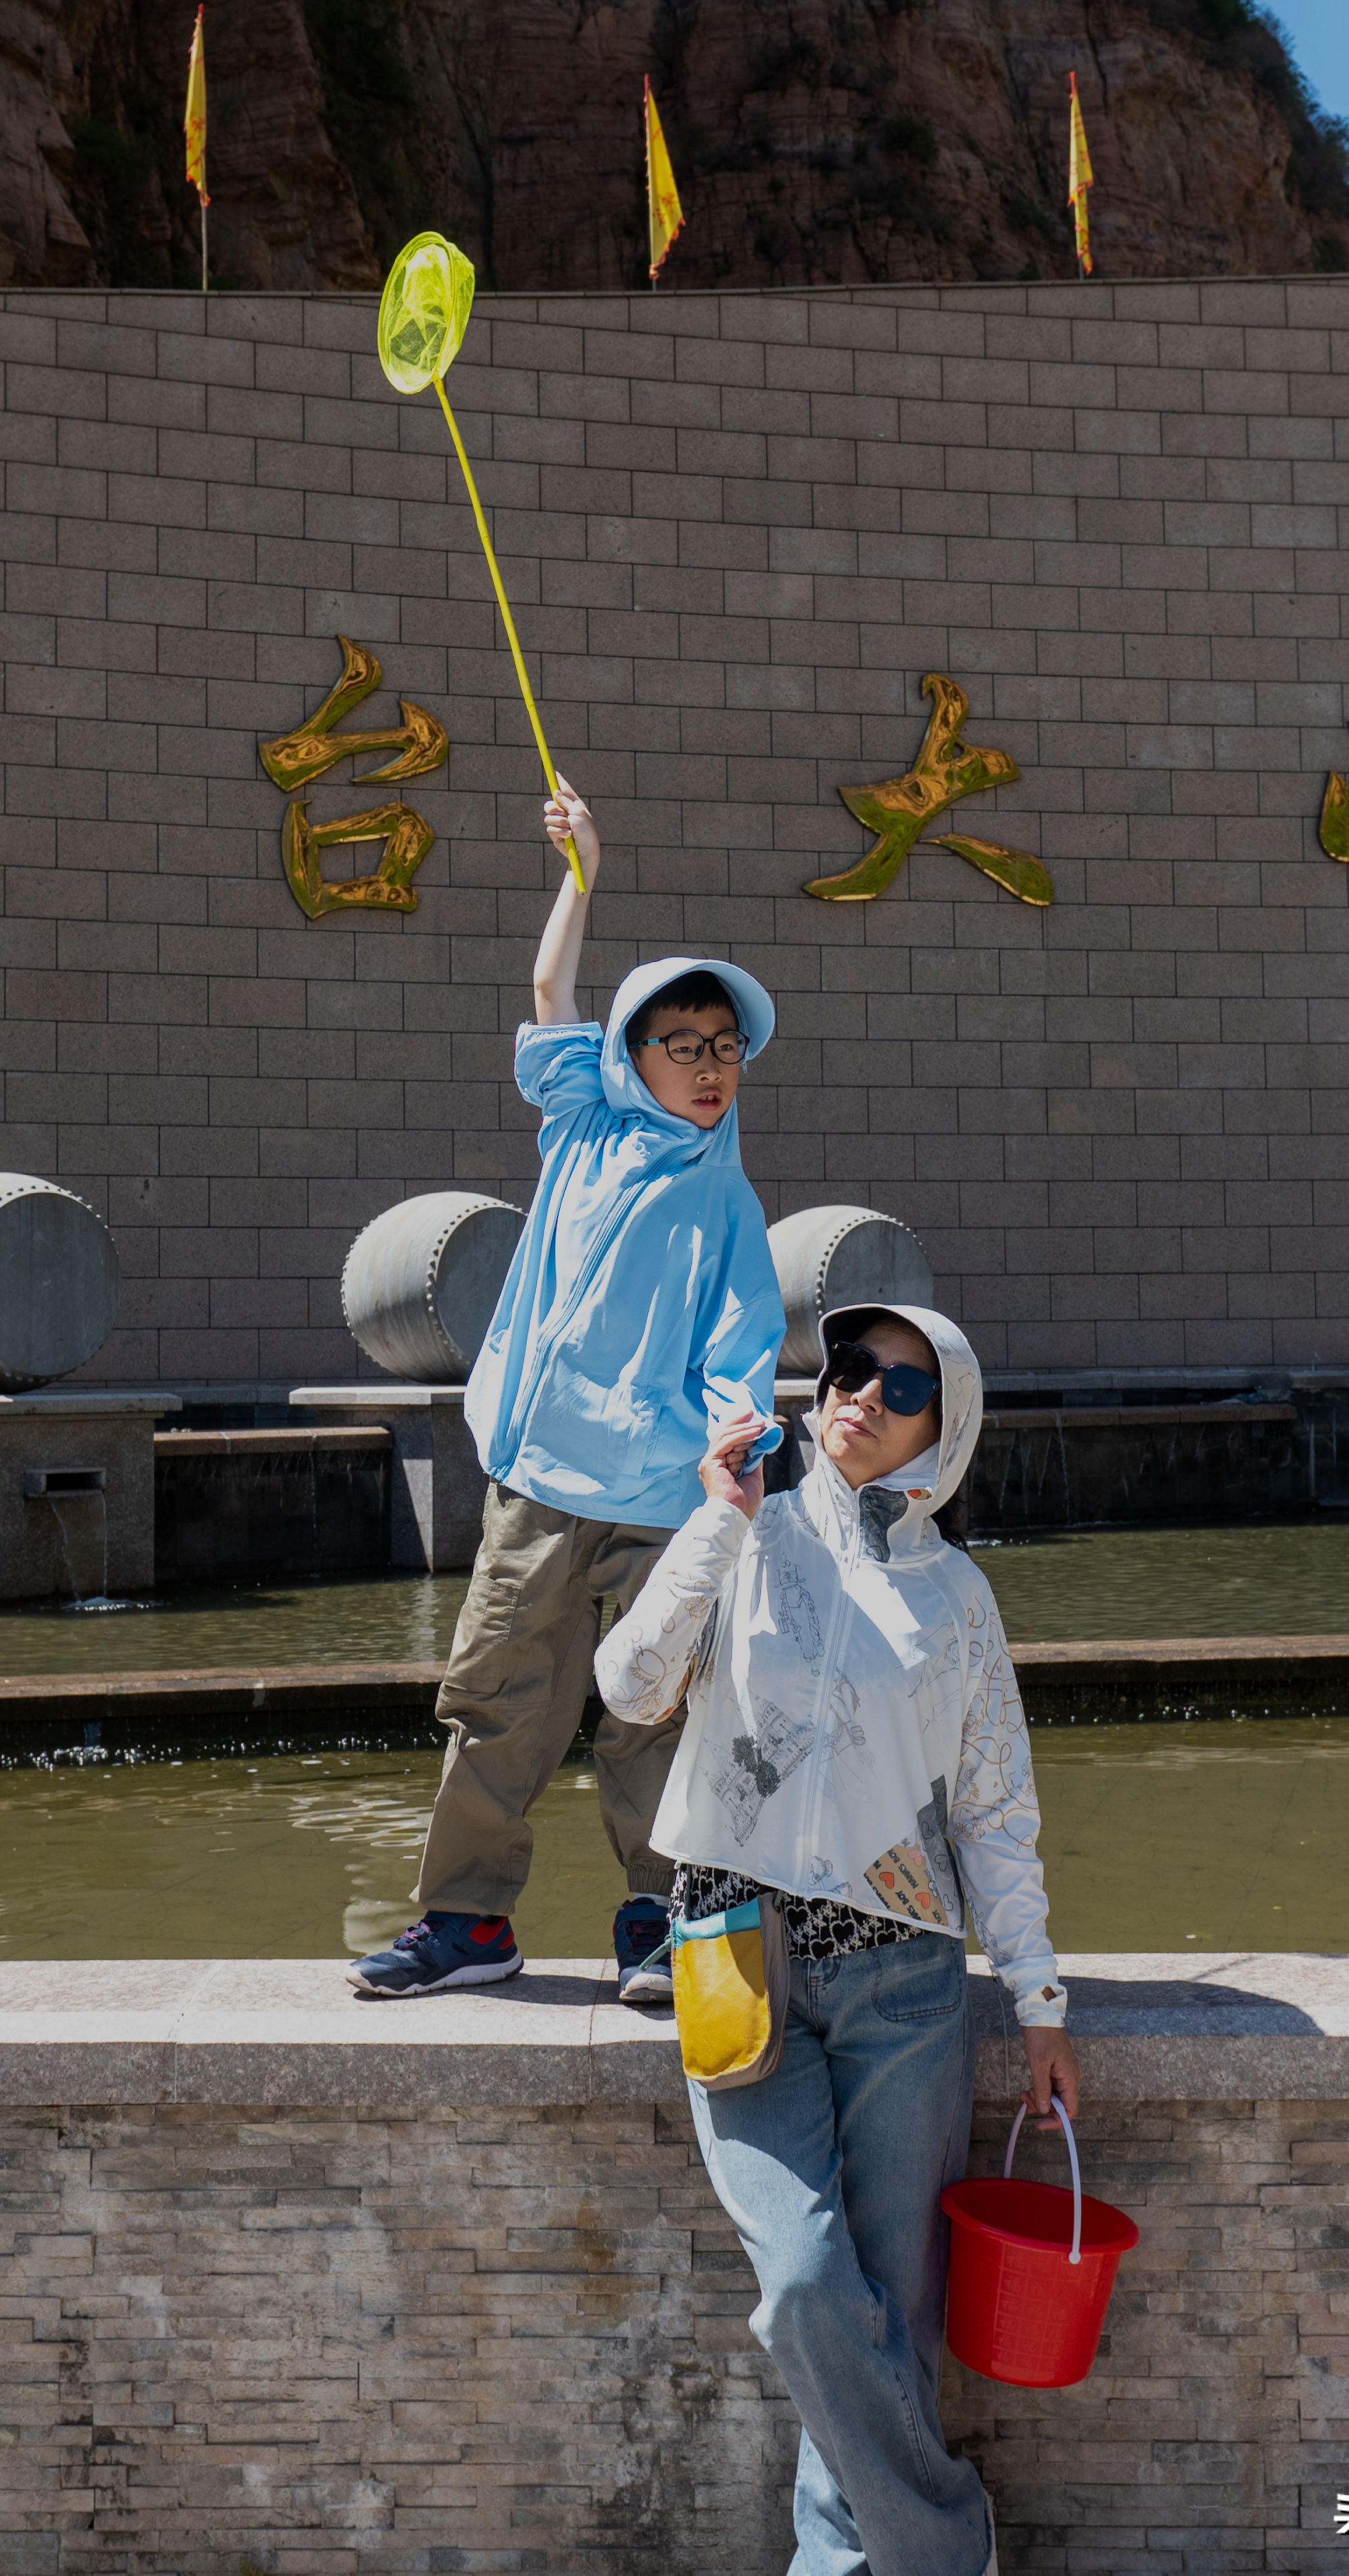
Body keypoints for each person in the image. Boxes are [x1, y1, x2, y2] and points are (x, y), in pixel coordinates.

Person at [594, 1301, 1080, 2576]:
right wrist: (718, 1518)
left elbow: (993, 1811)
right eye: (850, 1366)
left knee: (894, 2316)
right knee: (811, 2289)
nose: (862, 1392)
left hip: (906, 1979)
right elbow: (631, 1686)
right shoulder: (744, 1530)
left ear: (943, 1430)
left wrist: (1038, 2002)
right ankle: (946, 2544)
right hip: (737, 1957)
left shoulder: (958, 1600)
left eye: (902, 1385)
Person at [349, 776, 785, 2004]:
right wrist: (579, 875)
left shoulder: (728, 1200)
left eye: (724, 1050)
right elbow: (552, 996)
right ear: (631, 1057)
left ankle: (658, 1922)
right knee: (500, 1704)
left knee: (655, 1715)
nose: (707, 1068)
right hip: (539, 1482)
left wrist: (737, 1431)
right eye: (682, 1045)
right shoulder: (586, 1126)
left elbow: (738, 1351)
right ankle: (468, 1927)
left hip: (658, 1498)